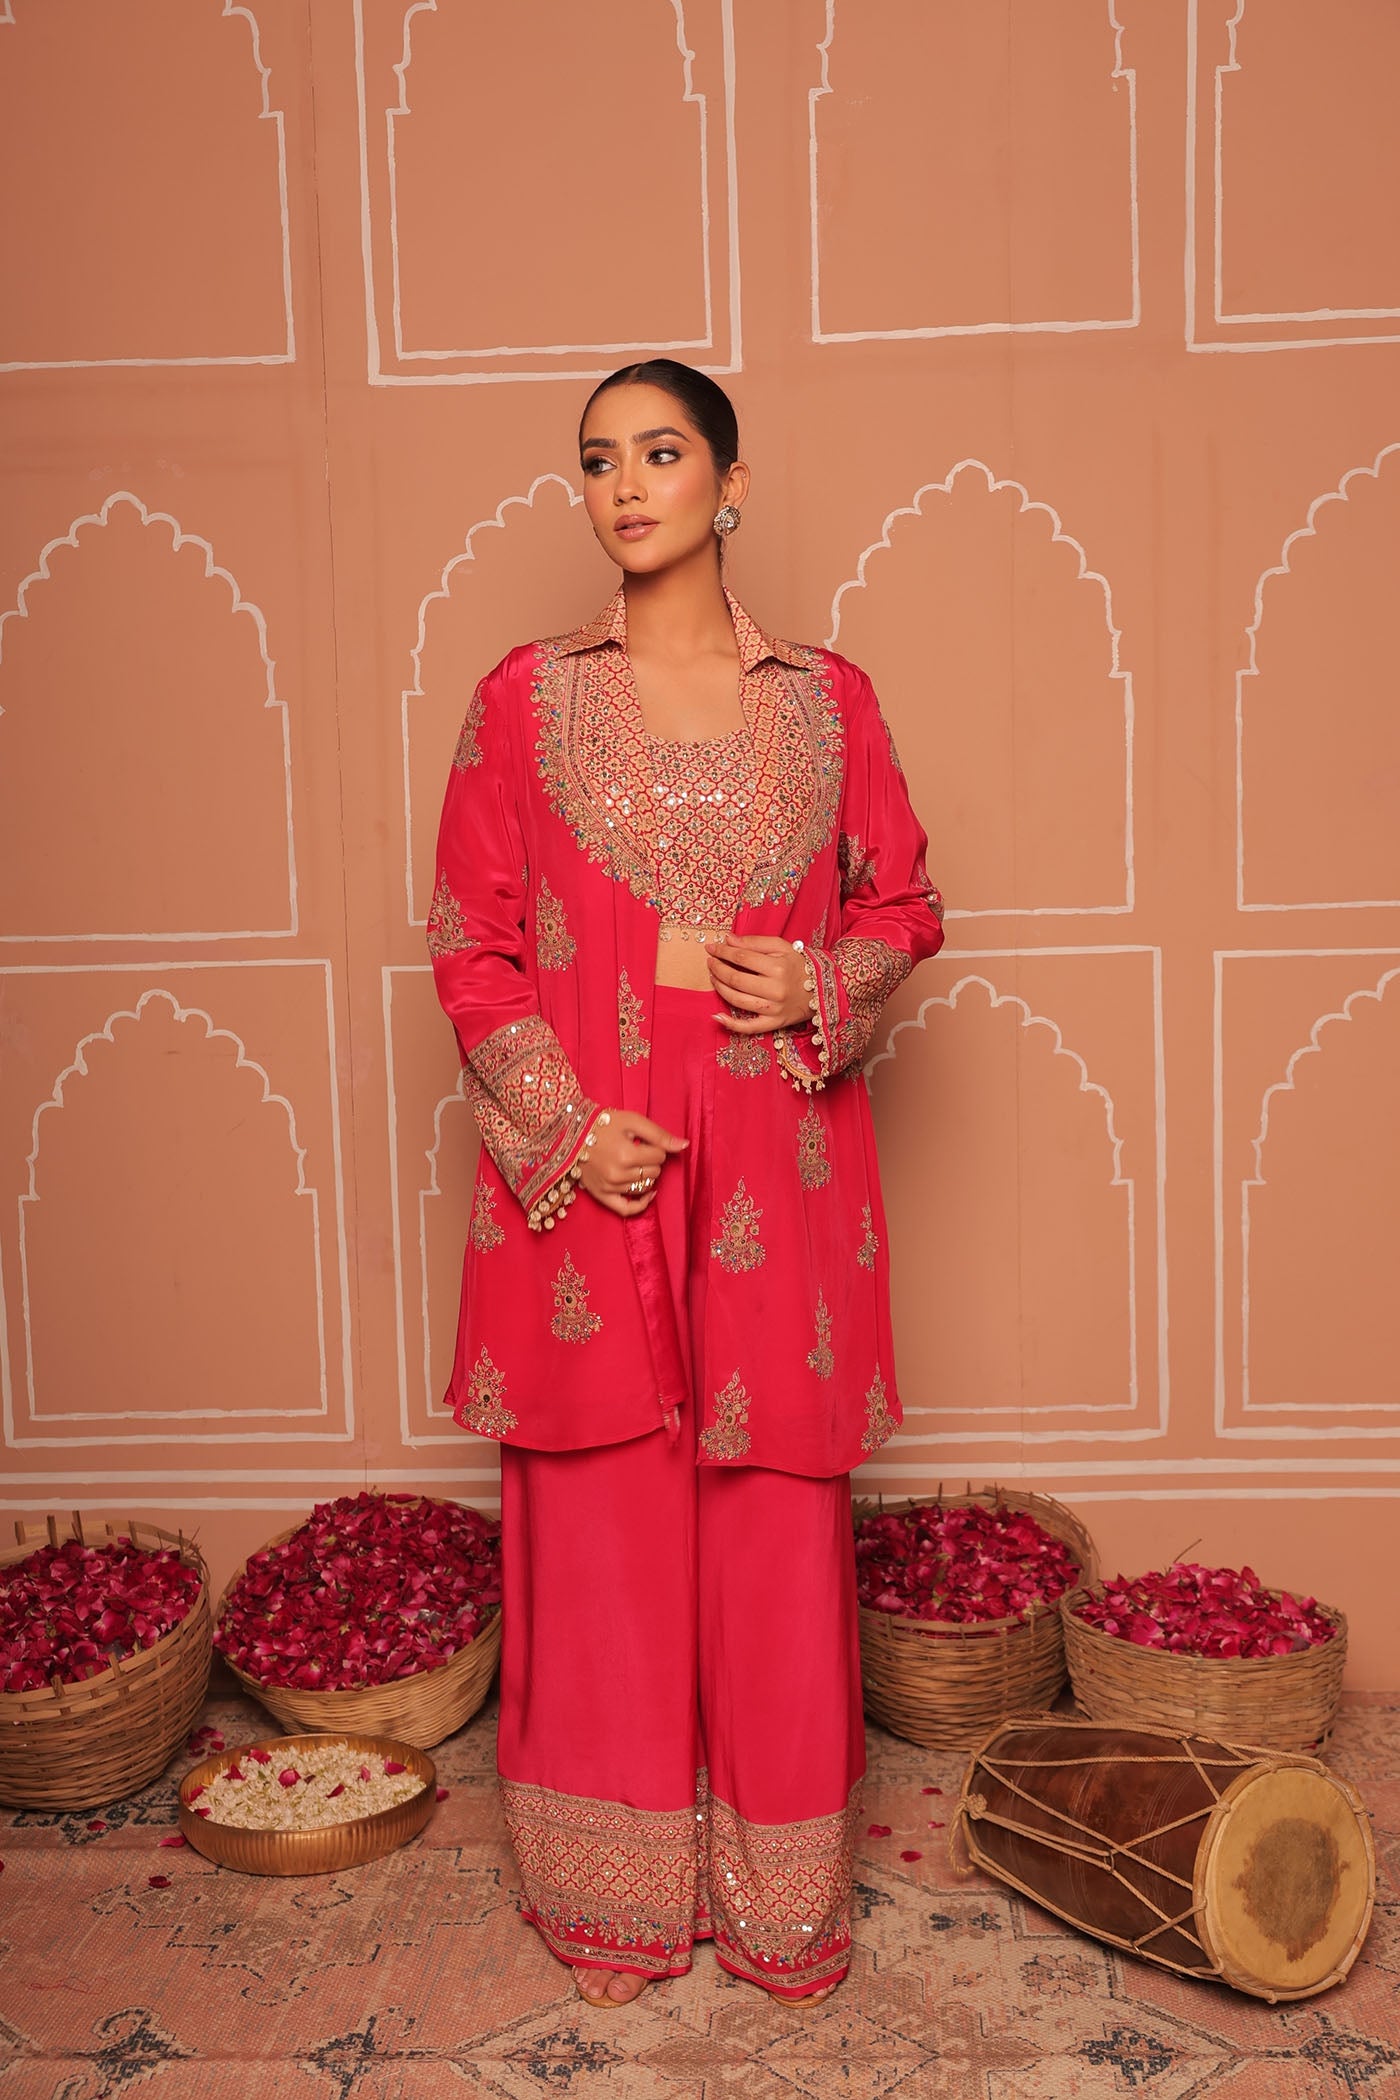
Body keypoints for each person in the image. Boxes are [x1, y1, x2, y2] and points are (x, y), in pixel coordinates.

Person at [429, 359, 944, 2008]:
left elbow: (905, 904)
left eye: (661, 453)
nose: (628, 486)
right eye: (599, 461)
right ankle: (616, 1901)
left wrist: (823, 981)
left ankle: (784, 1906)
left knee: (771, 1526)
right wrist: (565, 1128)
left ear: (731, 482)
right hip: (601, 1169)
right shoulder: (524, 698)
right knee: (603, 1534)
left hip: (776, 1165)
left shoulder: (828, 701)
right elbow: (470, 943)